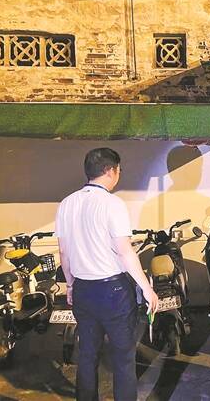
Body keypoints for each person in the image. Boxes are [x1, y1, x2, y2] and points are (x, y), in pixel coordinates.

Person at [56, 147, 158, 401]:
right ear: (110, 171)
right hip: (113, 292)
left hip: (83, 290)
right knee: (123, 357)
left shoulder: (66, 204)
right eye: (119, 170)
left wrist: (70, 285)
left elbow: (64, 253)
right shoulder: (113, 204)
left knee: (87, 354)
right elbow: (124, 251)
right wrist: (147, 288)